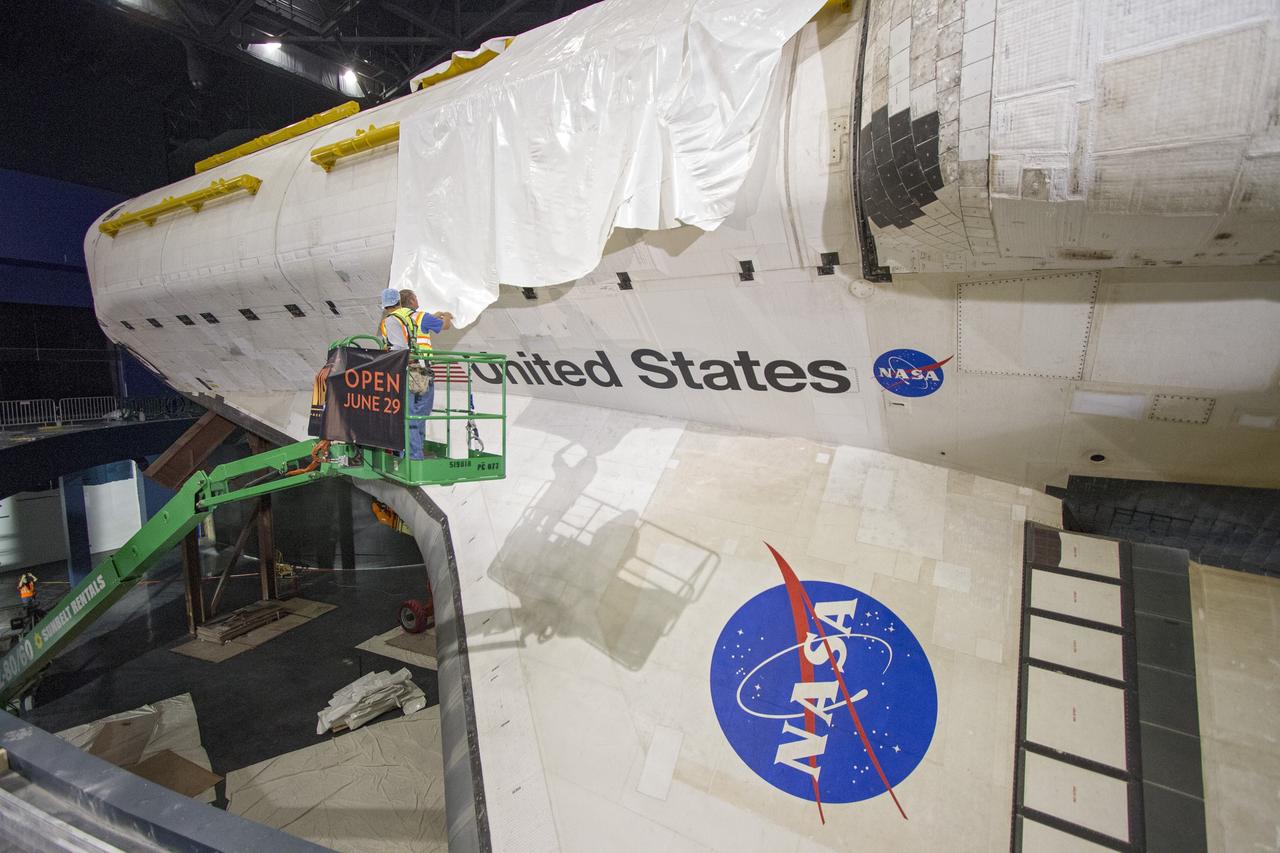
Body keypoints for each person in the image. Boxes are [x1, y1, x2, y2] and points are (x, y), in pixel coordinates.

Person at [376, 287, 453, 460]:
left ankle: (407, 452)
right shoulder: (417, 317)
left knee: (407, 413)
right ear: (410, 301)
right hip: (420, 370)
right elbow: (443, 326)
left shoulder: (394, 319)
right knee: (418, 414)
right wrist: (447, 315)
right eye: (416, 298)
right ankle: (415, 455)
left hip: (401, 371)